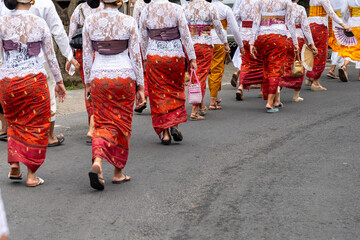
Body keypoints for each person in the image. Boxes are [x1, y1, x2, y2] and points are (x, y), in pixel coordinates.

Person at [0, 0, 64, 187]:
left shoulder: (1, 22)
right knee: (36, 124)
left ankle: (14, 163)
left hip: (8, 81)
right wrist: (59, 81)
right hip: (34, 80)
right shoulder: (39, 23)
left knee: (13, 121)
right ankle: (31, 174)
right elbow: (51, 57)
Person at [84, 0, 145, 190]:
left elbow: (87, 55)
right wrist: (141, 86)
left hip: (99, 76)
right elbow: (136, 55)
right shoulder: (128, 21)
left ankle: (98, 162)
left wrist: (87, 83)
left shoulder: (90, 21)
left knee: (101, 122)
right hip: (124, 76)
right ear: (120, 2)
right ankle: (118, 172)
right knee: (122, 123)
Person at [0, 0, 80, 146]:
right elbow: (57, 30)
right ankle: (48, 136)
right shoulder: (44, 3)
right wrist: (69, 56)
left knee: (15, 104)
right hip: (38, 63)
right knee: (48, 99)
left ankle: (15, 137)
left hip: (10, 65)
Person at [140, 0, 197, 144]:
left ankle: (165, 133)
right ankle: (174, 125)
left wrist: (144, 59)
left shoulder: (146, 10)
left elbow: (143, 37)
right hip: (175, 55)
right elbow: (185, 35)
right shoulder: (177, 8)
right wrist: (192, 58)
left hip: (154, 55)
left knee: (158, 93)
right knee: (175, 90)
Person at [250, 0, 299, 113]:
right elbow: (290, 23)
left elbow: (256, 22)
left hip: (262, 38)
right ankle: (269, 102)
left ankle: (276, 100)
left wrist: (252, 42)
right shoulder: (286, 2)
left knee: (267, 68)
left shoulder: (260, 1)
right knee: (276, 69)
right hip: (278, 37)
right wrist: (295, 42)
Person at [184, 0, 229, 120]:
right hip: (204, 45)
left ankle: (201, 105)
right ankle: (194, 110)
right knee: (201, 76)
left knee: (194, 75)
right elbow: (218, 27)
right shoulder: (210, 7)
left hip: (190, 45)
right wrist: (225, 42)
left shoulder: (186, 7)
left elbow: (183, 29)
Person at [69, 1, 103, 141]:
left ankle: (92, 122)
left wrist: (70, 58)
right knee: (100, 88)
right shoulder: (105, 8)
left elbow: (71, 36)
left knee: (88, 87)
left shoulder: (79, 10)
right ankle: (97, 124)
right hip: (102, 52)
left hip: (82, 55)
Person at [305, 0, 350, 90]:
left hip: (311, 26)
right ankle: (315, 82)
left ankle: (310, 77)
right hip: (320, 27)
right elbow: (331, 13)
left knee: (313, 53)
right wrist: (343, 25)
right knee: (321, 54)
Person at [207, 0, 244, 109]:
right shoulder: (225, 9)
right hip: (219, 41)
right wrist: (240, 45)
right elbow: (235, 29)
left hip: (205, 40)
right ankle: (213, 100)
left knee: (210, 69)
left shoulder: (206, 7)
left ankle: (214, 96)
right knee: (217, 69)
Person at [279, 0, 318, 102]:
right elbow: (305, 28)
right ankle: (296, 95)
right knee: (299, 65)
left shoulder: (281, 7)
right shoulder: (300, 9)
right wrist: (312, 44)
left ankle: (278, 88)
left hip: (282, 37)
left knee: (283, 65)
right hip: (298, 38)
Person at [234, 0, 264, 101]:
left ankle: (241, 87)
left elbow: (235, 17)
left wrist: (242, 23)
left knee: (245, 62)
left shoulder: (243, 3)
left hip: (243, 35)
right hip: (255, 36)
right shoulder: (260, 3)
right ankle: (262, 89)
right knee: (261, 62)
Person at [133, 0, 148, 113]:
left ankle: (142, 98)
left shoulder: (139, 3)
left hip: (140, 39)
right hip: (154, 40)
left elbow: (135, 22)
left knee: (142, 69)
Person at [338, 0, 360, 82]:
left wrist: (346, 23)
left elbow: (343, 11)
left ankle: (344, 66)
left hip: (351, 23)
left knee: (350, 47)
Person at [327, 0, 347, 80]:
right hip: (342, 22)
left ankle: (340, 67)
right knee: (342, 46)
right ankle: (334, 68)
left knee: (337, 46)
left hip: (332, 21)